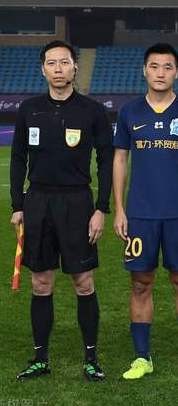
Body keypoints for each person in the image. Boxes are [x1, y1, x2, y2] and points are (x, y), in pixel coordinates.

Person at [10, 40, 112, 381]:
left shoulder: (92, 111)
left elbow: (106, 160)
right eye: (51, 63)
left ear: (74, 67)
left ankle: (92, 358)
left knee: (83, 281)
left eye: (64, 62)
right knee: (41, 283)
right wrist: (18, 205)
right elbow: (18, 158)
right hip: (38, 201)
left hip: (77, 203)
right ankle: (40, 359)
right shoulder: (29, 109)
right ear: (43, 69)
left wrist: (101, 208)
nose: (58, 68)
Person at [113, 43, 178, 380]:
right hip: (140, 215)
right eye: (154, 66)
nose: (160, 73)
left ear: (176, 72)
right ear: (144, 70)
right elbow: (119, 160)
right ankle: (142, 358)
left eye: (167, 67)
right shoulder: (129, 112)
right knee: (140, 284)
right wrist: (119, 209)